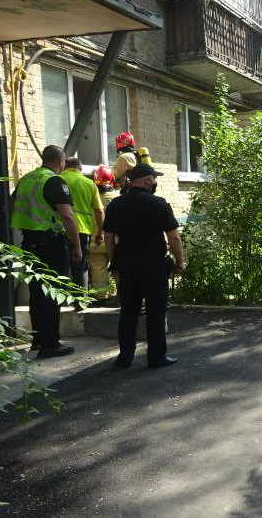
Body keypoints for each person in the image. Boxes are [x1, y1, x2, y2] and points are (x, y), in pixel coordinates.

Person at [103, 163, 185, 368]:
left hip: (127, 267)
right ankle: (156, 357)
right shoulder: (158, 204)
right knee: (155, 312)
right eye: (154, 178)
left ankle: (125, 357)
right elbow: (174, 237)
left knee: (128, 311)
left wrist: (114, 263)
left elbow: (109, 237)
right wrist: (180, 262)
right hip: (153, 267)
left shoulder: (116, 205)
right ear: (148, 180)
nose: (155, 182)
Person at [11, 145, 81, 359]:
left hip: (29, 243)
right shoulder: (54, 181)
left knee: (37, 293)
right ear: (61, 161)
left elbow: (13, 203)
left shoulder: (26, 179)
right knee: (52, 293)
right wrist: (76, 246)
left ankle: (39, 339)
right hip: (51, 244)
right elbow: (67, 216)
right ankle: (51, 344)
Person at [59, 157, 104, 292]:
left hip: (59, 228)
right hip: (82, 230)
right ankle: (80, 300)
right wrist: (100, 232)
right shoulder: (89, 184)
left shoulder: (57, 179)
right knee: (80, 266)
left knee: (60, 264)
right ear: (80, 169)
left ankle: (60, 300)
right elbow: (99, 211)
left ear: (65, 166)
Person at [88, 164, 118, 304]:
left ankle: (101, 298)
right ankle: (123, 295)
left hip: (96, 241)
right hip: (116, 241)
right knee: (119, 267)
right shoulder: (118, 198)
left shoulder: (91, 197)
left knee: (98, 269)